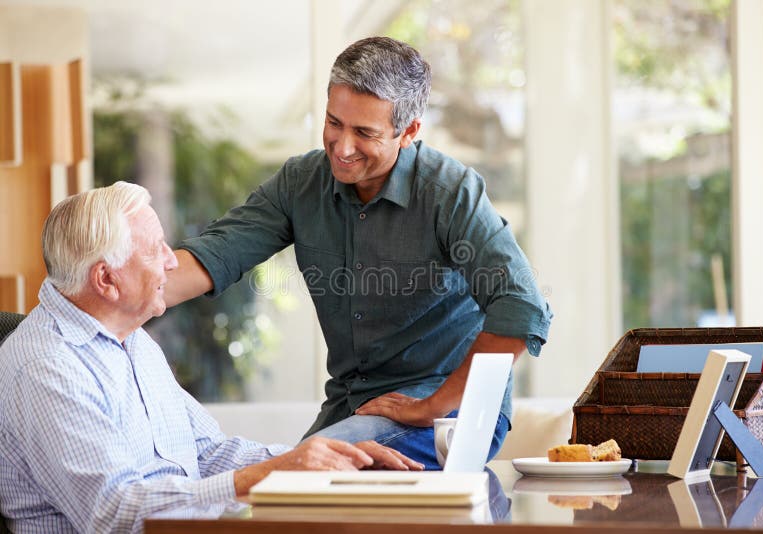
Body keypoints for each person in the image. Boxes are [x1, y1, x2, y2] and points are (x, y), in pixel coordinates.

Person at [167, 36, 553, 469]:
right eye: (334, 122)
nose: (342, 147)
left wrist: (435, 404)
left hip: (450, 415)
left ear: (408, 132)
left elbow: (522, 306)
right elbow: (217, 253)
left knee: (297, 477)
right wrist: (112, 295)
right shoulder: (301, 183)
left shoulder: (450, 192)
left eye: (365, 133)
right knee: (267, 487)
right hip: (350, 408)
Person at [0, 182, 421, 533]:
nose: (171, 261)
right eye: (155, 249)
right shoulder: (46, 367)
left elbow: (206, 452)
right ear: (107, 280)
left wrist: (323, 461)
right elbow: (115, 514)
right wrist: (264, 477)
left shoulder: (132, 341)